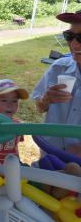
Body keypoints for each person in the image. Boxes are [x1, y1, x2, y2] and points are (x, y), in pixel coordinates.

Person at [33, 10, 81, 157]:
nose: (74, 44)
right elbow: (40, 108)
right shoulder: (58, 67)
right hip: (50, 152)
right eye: (69, 36)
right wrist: (45, 100)